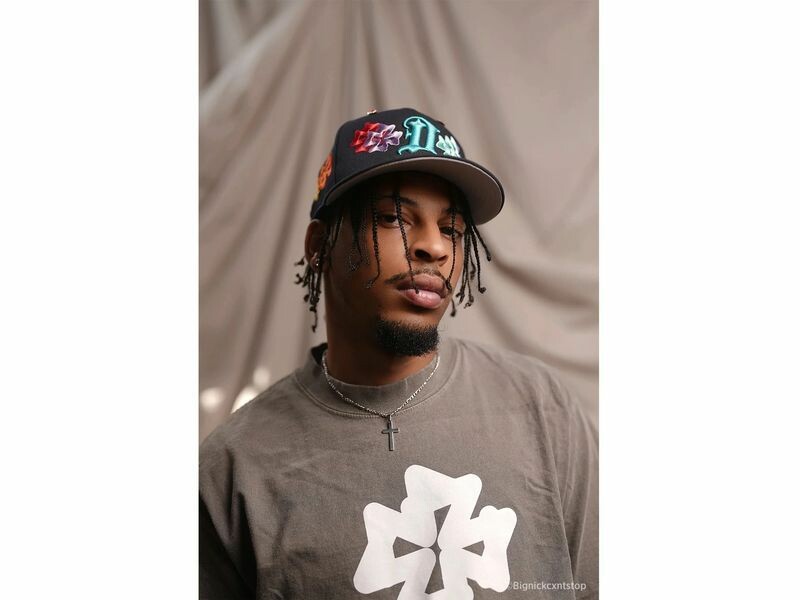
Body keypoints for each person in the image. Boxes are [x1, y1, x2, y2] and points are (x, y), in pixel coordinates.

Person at [199, 108, 598, 599]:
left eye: (452, 229)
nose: (434, 247)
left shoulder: (543, 408)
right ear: (320, 246)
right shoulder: (234, 467)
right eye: (393, 218)